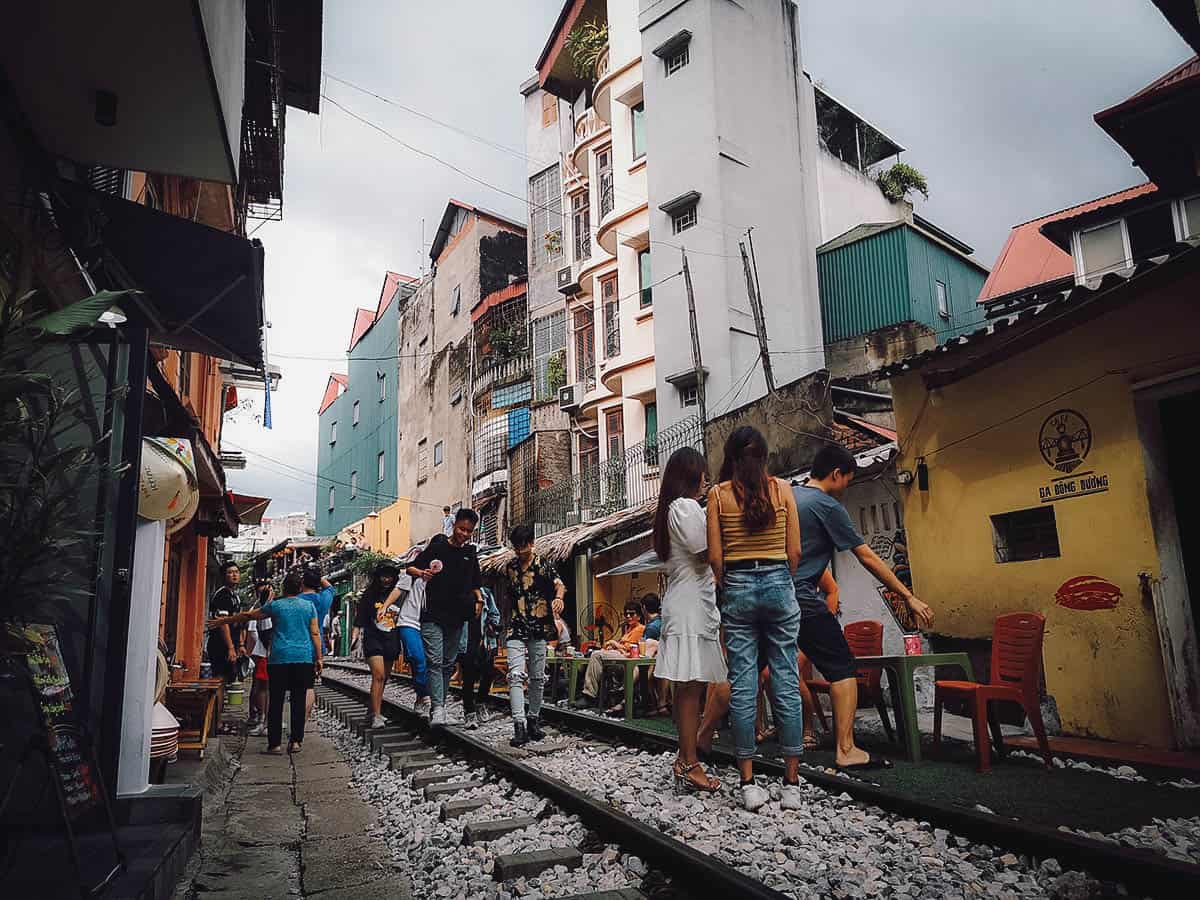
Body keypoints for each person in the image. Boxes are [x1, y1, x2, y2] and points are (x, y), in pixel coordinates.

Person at [794, 443, 934, 771]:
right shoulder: (825, 505)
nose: (846, 488)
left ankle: (701, 741)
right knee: (842, 667)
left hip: (770, 595)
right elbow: (866, 555)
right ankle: (846, 749)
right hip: (800, 597)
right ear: (836, 474)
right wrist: (907, 595)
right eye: (847, 481)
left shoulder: (791, 496)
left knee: (760, 670)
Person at [707, 425, 803, 812]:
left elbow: (715, 557)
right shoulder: (782, 490)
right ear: (764, 457)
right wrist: (781, 579)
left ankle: (748, 783)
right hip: (780, 582)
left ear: (730, 458)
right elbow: (794, 550)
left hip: (738, 586)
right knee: (786, 681)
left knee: (744, 684)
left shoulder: (718, 495)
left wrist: (727, 584)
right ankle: (792, 785)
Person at [651, 447, 727, 793]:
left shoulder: (675, 509)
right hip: (690, 606)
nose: (706, 479)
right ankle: (689, 761)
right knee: (690, 688)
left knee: (690, 688)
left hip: (690, 603)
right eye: (701, 473)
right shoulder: (684, 508)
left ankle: (686, 758)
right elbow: (706, 551)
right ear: (690, 476)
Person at [210, 572, 322, 754]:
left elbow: (248, 616)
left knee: (276, 700)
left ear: (283, 588)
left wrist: (224, 620)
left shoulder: (275, 606)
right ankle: (295, 742)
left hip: (279, 658)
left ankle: (275, 744)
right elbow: (315, 633)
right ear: (300, 588)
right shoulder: (309, 607)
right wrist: (319, 658)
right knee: (298, 699)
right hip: (302, 657)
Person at [408, 509, 483, 727]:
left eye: (469, 531)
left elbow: (476, 584)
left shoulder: (470, 554)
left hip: (458, 617)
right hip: (432, 615)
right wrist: (423, 574)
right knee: (435, 661)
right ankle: (438, 708)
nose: (465, 534)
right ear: (454, 525)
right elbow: (410, 567)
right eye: (462, 529)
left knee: (449, 663)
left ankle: (439, 706)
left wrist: (479, 601)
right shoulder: (437, 547)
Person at [503, 524, 566, 746]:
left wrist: (559, 599)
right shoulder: (509, 567)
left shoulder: (544, 566)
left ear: (531, 543)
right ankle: (518, 725)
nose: (520, 551)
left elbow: (560, 585)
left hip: (539, 628)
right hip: (516, 628)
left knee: (538, 678)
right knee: (516, 675)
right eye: (516, 547)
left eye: (523, 546)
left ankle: (533, 720)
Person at [354, 563, 405, 728]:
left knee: (384, 678)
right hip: (373, 638)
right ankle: (375, 715)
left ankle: (373, 711)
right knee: (379, 676)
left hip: (391, 639)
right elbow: (360, 618)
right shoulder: (369, 595)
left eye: (390, 576)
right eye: (383, 575)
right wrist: (354, 638)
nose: (386, 579)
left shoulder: (399, 594)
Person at [574, 601, 645, 708]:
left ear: (639, 616)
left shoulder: (640, 629)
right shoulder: (628, 629)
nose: (628, 617)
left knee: (596, 655)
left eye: (632, 614)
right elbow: (623, 646)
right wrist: (614, 646)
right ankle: (583, 692)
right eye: (626, 614)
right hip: (619, 656)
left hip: (628, 661)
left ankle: (589, 695)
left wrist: (615, 644)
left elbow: (632, 649)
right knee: (591, 654)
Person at [459, 585, 501, 729]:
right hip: (465, 641)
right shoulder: (460, 592)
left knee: (489, 673)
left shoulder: (486, 594)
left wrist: (492, 625)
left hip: (485, 640)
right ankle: (469, 712)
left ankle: (481, 702)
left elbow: (495, 614)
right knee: (468, 677)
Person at [395, 565, 431, 719]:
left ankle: (420, 698)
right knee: (418, 659)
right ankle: (425, 696)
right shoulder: (413, 576)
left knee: (430, 663)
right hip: (408, 621)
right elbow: (408, 569)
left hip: (430, 624)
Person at [299, 570, 334, 720]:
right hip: (315, 646)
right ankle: (305, 718)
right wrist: (319, 578)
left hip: (298, 645)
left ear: (302, 583)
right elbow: (331, 588)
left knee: (296, 687)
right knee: (308, 686)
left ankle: (296, 717)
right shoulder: (323, 599)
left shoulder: (296, 599)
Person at [207, 562, 246, 682]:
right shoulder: (222, 595)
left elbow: (238, 622)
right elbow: (223, 623)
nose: (234, 575)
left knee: (230, 679)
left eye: (236, 572)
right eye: (230, 572)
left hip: (232, 643)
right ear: (224, 576)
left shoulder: (235, 596)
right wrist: (230, 647)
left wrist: (240, 644)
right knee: (220, 679)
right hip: (220, 644)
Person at [245, 581, 275, 737]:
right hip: (264, 653)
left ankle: (265, 720)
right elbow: (256, 634)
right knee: (263, 687)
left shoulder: (267, 608)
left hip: (264, 653)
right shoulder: (263, 609)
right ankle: (263, 719)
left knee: (264, 687)